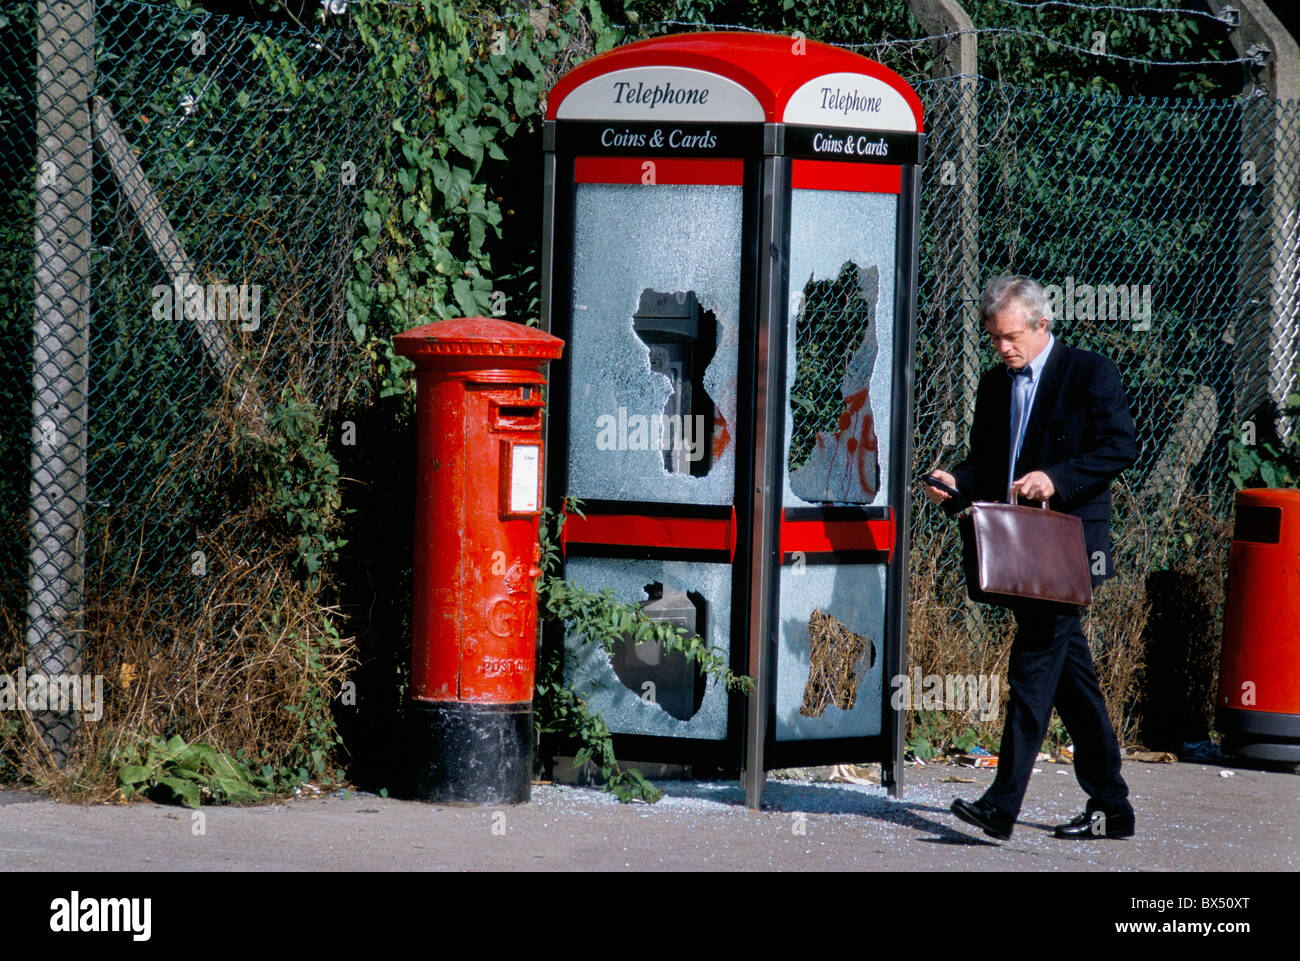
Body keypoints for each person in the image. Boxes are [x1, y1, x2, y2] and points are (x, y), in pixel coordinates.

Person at [923, 274, 1138, 841]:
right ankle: (1111, 806)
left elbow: (1120, 446)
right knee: (1072, 679)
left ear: (1043, 325)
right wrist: (955, 482)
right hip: (1020, 547)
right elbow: (991, 466)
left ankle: (1002, 806)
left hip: (1068, 546)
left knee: (1033, 670)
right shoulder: (997, 385)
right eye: (994, 338)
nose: (1002, 348)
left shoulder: (1089, 372)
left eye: (1011, 336)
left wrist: (1056, 479)